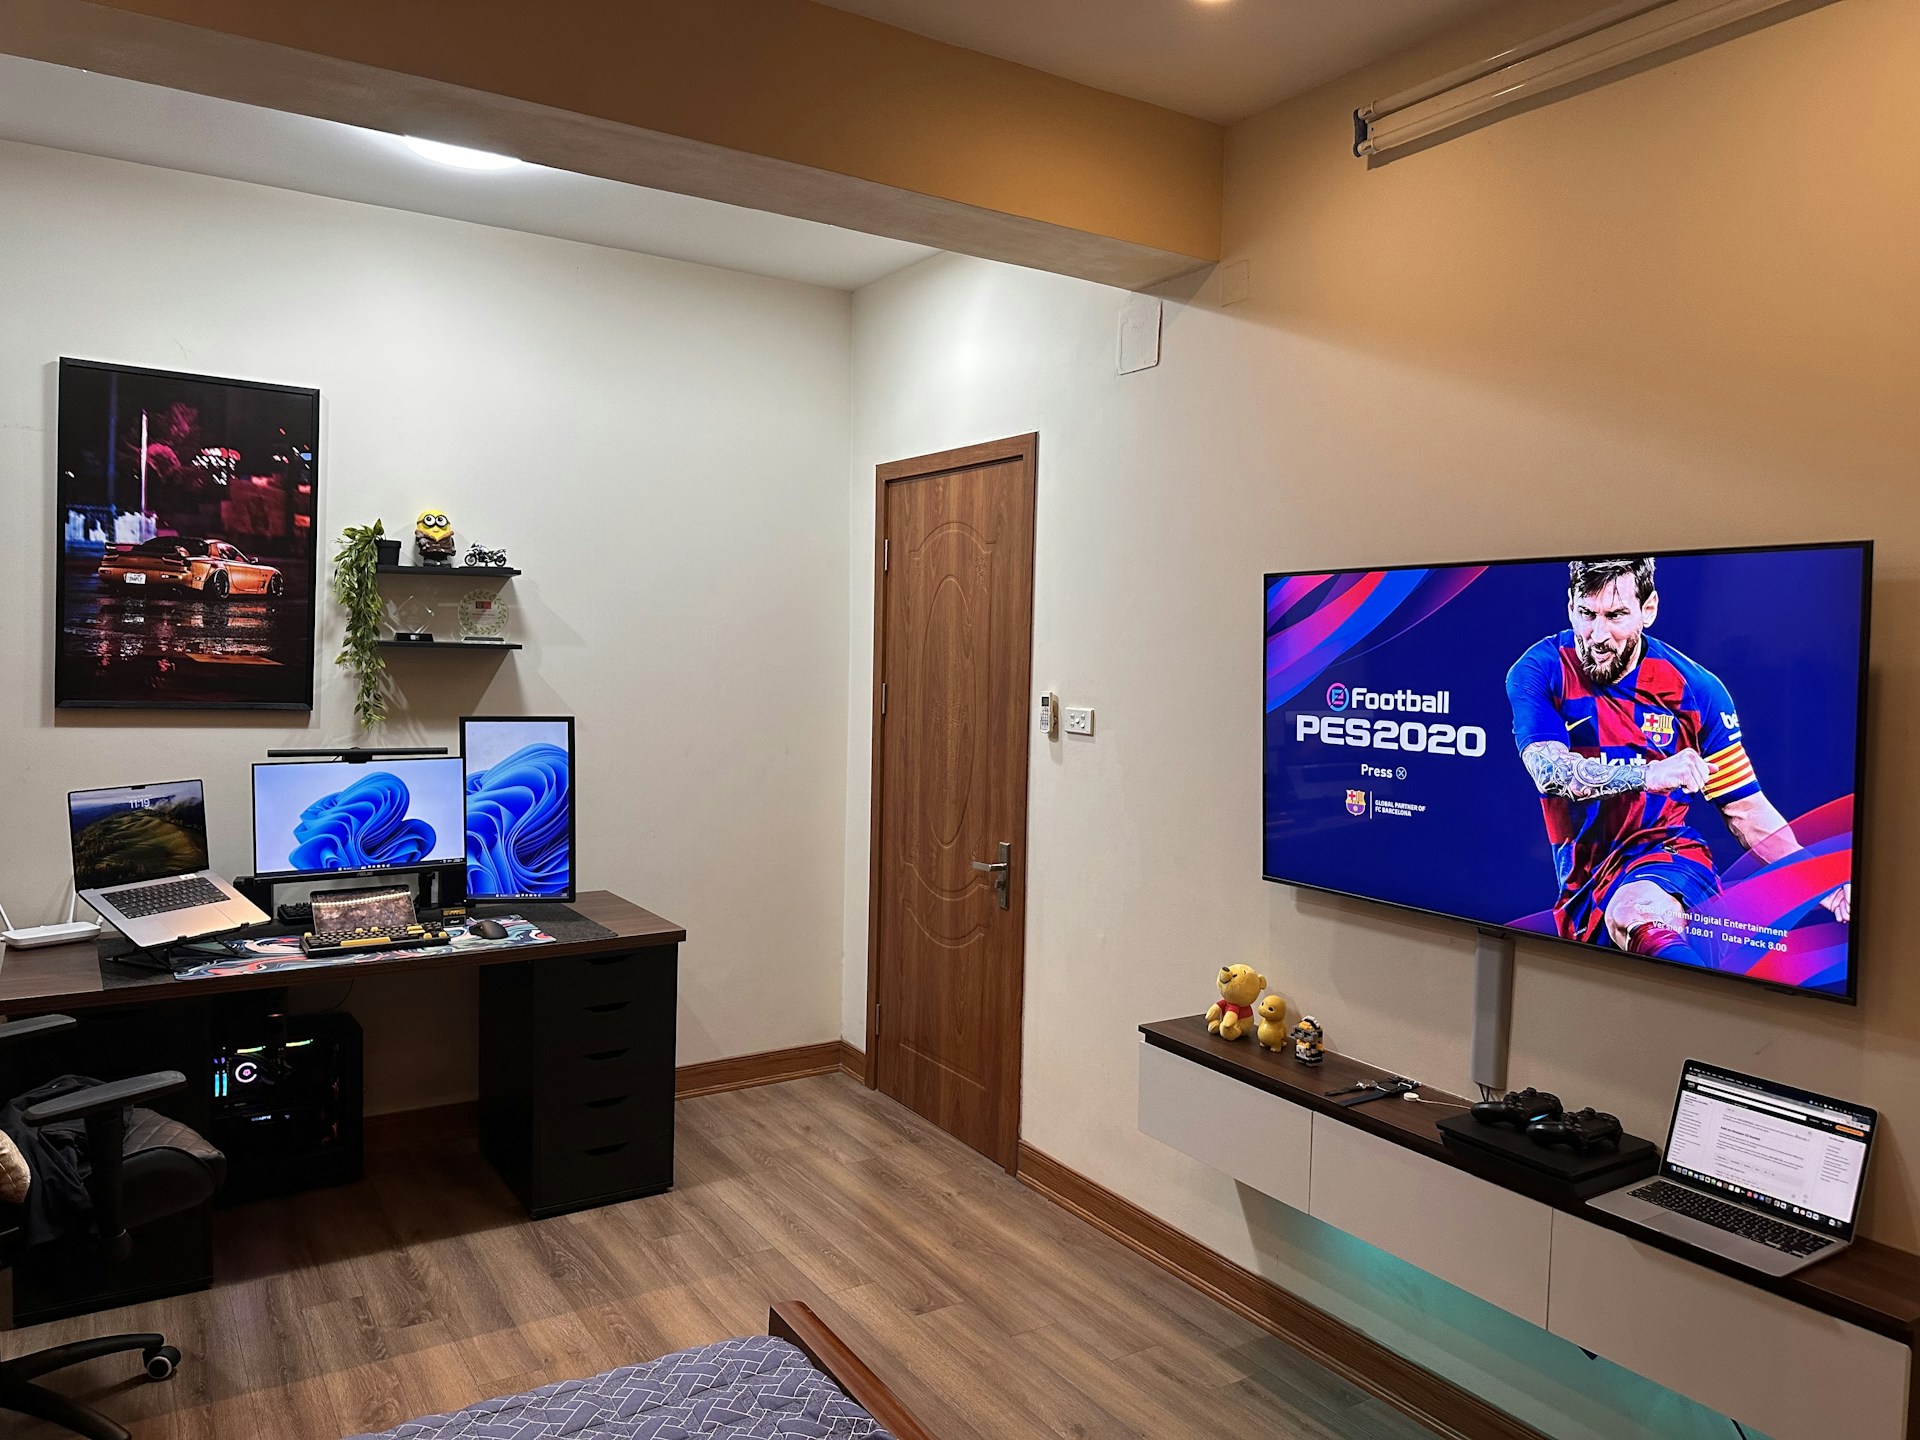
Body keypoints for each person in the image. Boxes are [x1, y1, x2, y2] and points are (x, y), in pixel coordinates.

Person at [1504, 557, 1848, 965]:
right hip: (1582, 881)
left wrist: (1824, 885)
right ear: (1569, 606)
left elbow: (1747, 813)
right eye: (1586, 614)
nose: (1597, 634)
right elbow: (1551, 773)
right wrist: (1650, 773)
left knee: (1638, 911)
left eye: (1615, 615)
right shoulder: (1541, 669)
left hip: (1666, 856)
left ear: (1648, 610)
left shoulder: (1695, 690)